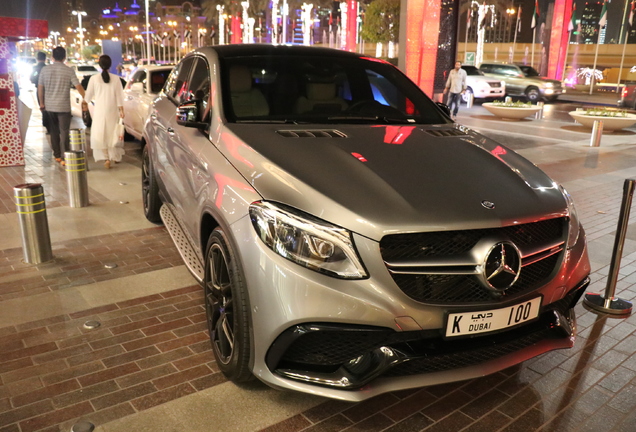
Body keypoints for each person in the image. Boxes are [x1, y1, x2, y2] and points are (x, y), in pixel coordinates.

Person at [38, 47, 85, 165]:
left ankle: (57, 155)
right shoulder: (69, 71)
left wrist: (42, 103)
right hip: (63, 106)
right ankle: (65, 156)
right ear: (65, 57)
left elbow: (40, 88)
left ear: (52, 57)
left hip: (49, 106)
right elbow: (78, 86)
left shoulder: (45, 70)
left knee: (53, 131)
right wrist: (86, 98)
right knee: (64, 131)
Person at [83, 55, 125, 169]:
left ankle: (107, 158)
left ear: (99, 64)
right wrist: (121, 110)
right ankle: (114, 156)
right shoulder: (116, 79)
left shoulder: (94, 79)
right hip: (113, 110)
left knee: (101, 134)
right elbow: (119, 96)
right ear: (110, 65)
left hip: (100, 111)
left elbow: (88, 96)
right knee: (113, 133)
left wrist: (85, 105)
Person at [31, 52, 50, 133]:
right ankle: (50, 125)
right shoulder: (48, 68)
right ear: (45, 59)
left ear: (37, 58)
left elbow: (32, 78)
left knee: (43, 107)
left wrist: (37, 81)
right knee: (49, 108)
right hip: (48, 90)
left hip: (39, 90)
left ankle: (46, 124)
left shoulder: (35, 68)